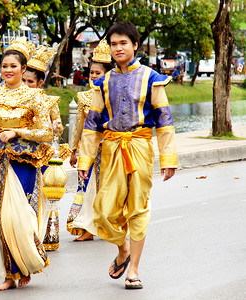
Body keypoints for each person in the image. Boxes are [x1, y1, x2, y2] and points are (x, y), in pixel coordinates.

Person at [77, 22, 177, 290]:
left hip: (140, 148)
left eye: (123, 43)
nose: (118, 48)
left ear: (135, 45)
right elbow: (92, 125)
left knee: (138, 208)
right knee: (102, 211)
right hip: (110, 150)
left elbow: (164, 121)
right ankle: (123, 250)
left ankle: (133, 270)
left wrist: (168, 159)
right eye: (113, 44)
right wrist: (84, 161)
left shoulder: (152, 77)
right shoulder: (103, 83)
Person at [0, 37, 53, 291]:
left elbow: (46, 133)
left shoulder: (35, 97)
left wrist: (18, 133)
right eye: (4, 66)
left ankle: (26, 263)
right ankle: (8, 274)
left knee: (20, 216)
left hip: (23, 161)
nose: (8, 70)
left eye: (13, 66)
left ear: (24, 69)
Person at [22, 44, 70, 251]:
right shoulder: (16, 99)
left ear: (40, 83)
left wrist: (57, 127)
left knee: (43, 195)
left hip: (42, 153)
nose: (25, 84)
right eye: (23, 80)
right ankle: (25, 236)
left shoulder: (49, 102)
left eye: (30, 82)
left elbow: (57, 128)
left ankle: (45, 237)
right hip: (21, 152)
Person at [67, 38, 112, 242]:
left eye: (98, 73)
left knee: (111, 188)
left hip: (112, 148)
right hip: (89, 150)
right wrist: (74, 150)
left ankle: (112, 226)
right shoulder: (84, 98)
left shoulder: (114, 93)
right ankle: (88, 228)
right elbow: (79, 127)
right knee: (88, 188)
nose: (93, 76)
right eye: (91, 73)